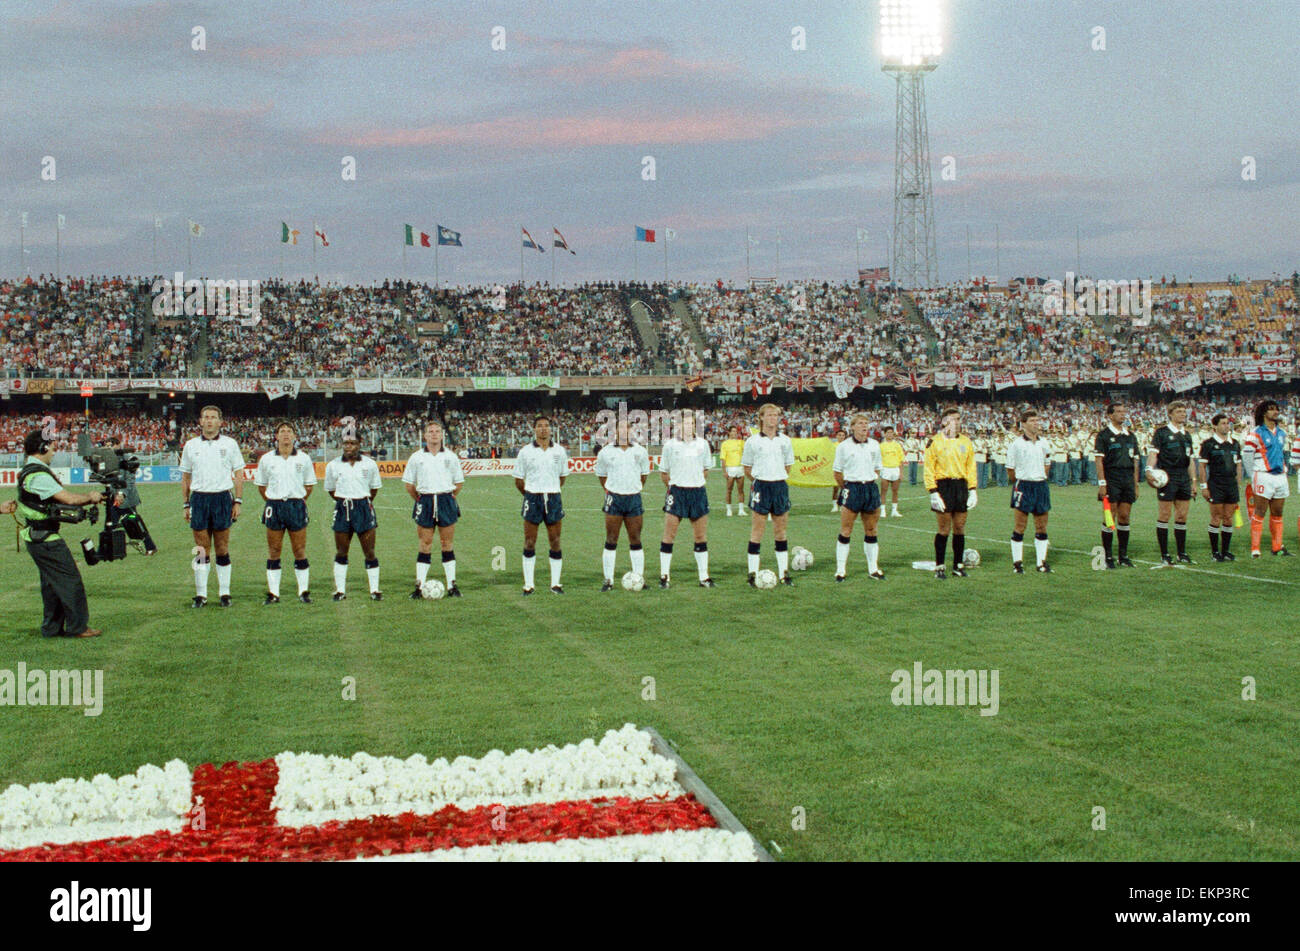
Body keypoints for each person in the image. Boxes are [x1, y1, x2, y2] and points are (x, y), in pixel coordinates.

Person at [10, 429, 108, 638]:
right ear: (43, 448)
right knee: (70, 580)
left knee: (52, 585)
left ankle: (52, 628)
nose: (54, 451)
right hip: (45, 538)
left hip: (38, 536)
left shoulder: (31, 470)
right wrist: (91, 497)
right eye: (52, 447)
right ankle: (78, 627)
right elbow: (69, 499)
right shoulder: (38, 474)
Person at [180, 405, 246, 607]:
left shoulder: (230, 444)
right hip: (199, 499)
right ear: (200, 421)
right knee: (201, 549)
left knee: (222, 548)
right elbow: (185, 477)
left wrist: (238, 500)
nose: (209, 420)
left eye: (213, 417)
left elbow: (239, 474)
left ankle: (224, 593)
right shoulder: (191, 445)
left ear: (220, 422)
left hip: (222, 499)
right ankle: (201, 595)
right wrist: (186, 504)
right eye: (205, 417)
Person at [255, 420, 317, 604]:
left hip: (296, 505)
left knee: (299, 549)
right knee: (274, 550)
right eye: (282, 431)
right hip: (274, 506)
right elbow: (261, 486)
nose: (285, 434)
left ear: (295, 436)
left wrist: (298, 500)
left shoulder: (304, 458)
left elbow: (309, 485)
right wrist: (272, 501)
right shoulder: (267, 459)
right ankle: (274, 593)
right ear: (276, 436)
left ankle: (303, 591)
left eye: (289, 431)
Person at [404, 420, 465, 598]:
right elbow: (409, 484)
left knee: (447, 544)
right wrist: (421, 500)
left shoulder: (451, 456)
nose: (434, 434)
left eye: (437, 431)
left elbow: (459, 483)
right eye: (430, 431)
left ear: (442, 435)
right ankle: (419, 586)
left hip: (446, 499)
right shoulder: (416, 457)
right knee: (425, 543)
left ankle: (452, 585)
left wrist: (450, 497)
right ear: (425, 435)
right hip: (426, 500)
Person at [658, 411, 714, 588]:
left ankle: (703, 577)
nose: (688, 427)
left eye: (691, 423)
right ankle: (664, 576)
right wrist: (675, 486)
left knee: (700, 536)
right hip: (677, 492)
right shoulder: (669, 445)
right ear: (678, 425)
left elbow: (705, 469)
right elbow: (664, 473)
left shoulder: (703, 444)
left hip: (697, 493)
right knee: (669, 534)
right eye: (684, 424)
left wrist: (694, 482)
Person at [324, 432, 383, 600]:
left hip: (363, 507)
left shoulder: (370, 464)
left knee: (369, 551)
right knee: (341, 551)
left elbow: (374, 489)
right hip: (343, 508)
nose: (349, 446)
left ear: (359, 444)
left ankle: (374, 590)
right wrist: (344, 500)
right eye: (346, 443)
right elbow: (330, 489)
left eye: (352, 443)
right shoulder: (333, 465)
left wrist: (362, 501)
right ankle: (340, 590)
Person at [513, 415, 569, 594]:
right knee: (530, 541)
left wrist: (549, 489)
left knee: (555, 540)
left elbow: (562, 477)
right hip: (532, 498)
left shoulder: (559, 451)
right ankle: (528, 585)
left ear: (551, 429)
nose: (543, 429)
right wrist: (531, 493)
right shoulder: (525, 452)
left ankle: (555, 584)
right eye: (540, 426)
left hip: (553, 497)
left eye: (546, 426)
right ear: (534, 429)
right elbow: (519, 480)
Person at [742, 403, 796, 585]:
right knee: (757, 531)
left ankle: (783, 573)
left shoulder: (785, 441)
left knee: (780, 531)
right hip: (761, 487)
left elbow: (788, 466)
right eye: (770, 415)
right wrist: (761, 479)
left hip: (780, 486)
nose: (773, 418)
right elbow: (747, 468)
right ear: (762, 417)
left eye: (776, 415)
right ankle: (752, 573)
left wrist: (776, 477)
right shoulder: (752, 441)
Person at [595, 419, 650, 591]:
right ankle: (608, 580)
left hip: (633, 498)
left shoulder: (640, 451)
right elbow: (602, 476)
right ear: (615, 431)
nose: (624, 431)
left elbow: (643, 476)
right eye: (620, 428)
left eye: (627, 428)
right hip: (614, 499)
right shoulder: (605, 452)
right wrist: (613, 489)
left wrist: (632, 488)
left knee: (635, 539)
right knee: (611, 539)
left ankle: (639, 577)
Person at [924, 407, 977, 579]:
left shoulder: (966, 442)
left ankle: (958, 566)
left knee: (960, 527)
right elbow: (928, 468)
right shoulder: (934, 442)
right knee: (944, 528)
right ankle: (940, 566)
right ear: (945, 422)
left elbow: (971, 467)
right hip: (943, 486)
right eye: (954, 419)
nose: (958, 422)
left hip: (960, 485)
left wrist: (973, 490)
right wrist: (933, 491)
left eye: (959, 419)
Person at [832, 413, 885, 581]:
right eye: (860, 423)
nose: (864, 426)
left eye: (866, 423)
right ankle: (841, 570)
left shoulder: (875, 445)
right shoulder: (844, 446)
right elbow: (837, 472)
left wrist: (868, 479)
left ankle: (873, 569)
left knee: (871, 529)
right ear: (852, 427)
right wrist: (846, 487)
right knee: (846, 530)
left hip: (869, 488)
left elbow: (877, 468)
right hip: (852, 488)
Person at [1148, 402, 1197, 566]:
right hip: (1167, 477)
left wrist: (1194, 481)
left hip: (1184, 478)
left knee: (1182, 516)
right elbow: (1153, 454)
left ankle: (1181, 553)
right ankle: (1165, 554)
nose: (1183, 414)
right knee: (1164, 515)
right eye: (1179, 411)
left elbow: (1190, 460)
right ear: (1170, 414)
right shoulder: (1161, 433)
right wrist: (1149, 469)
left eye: (1184, 411)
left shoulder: (1187, 435)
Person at [1094, 402, 1141, 569]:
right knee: (1109, 518)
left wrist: (1135, 484)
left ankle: (1123, 556)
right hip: (1111, 479)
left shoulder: (1130, 436)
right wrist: (1102, 483)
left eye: (1124, 411)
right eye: (1119, 412)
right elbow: (1099, 461)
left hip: (1127, 479)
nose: (1123, 414)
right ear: (1110, 415)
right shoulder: (1104, 435)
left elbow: (1136, 462)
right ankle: (1107, 557)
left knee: (1124, 517)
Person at [1006, 410, 1052, 573]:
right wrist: (1022, 480)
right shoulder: (1016, 444)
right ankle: (1017, 563)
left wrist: (1040, 476)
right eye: (1032, 420)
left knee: (1041, 526)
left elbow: (1047, 463)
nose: (1036, 423)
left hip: (1041, 486)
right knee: (1020, 525)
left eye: (1037, 420)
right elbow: (1010, 469)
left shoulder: (1044, 442)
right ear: (1023, 424)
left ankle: (1041, 563)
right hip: (1023, 486)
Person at [1244, 399, 1291, 557]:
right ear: (1264, 412)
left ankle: (1277, 547)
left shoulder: (1282, 432)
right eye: (1272, 409)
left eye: (1277, 409)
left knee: (1278, 512)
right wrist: (1252, 474)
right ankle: (1255, 548)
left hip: (1280, 476)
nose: (1276, 412)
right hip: (1263, 475)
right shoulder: (1255, 432)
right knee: (1260, 511)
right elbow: (1247, 455)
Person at [1198, 413, 1242, 562]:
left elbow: (1238, 465)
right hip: (1216, 484)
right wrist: (1204, 486)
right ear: (1215, 426)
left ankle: (1225, 551)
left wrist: (1238, 483)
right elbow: (1202, 466)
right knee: (1216, 517)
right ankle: (1215, 552)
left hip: (1231, 485)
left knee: (1228, 518)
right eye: (1223, 423)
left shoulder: (1235, 443)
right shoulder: (1208, 444)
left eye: (1227, 423)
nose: (1226, 426)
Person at [103, 436, 156, 554]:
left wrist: (122, 494)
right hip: (114, 500)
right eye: (106, 446)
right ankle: (107, 550)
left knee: (134, 523)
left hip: (127, 500)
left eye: (110, 445)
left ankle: (150, 547)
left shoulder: (128, 460)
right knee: (110, 524)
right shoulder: (108, 461)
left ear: (118, 445)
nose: (108, 448)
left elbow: (130, 480)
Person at [720, 424, 747, 517]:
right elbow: (723, 458)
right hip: (730, 468)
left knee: (741, 490)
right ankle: (729, 510)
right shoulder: (725, 444)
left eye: (736, 431)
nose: (734, 433)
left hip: (740, 468)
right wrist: (724, 471)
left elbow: (747, 450)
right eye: (733, 431)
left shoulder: (741, 442)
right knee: (729, 490)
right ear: (729, 432)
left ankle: (741, 510)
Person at [879, 426, 905, 516]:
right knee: (883, 490)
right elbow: (878, 460)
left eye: (891, 432)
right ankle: (883, 510)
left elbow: (901, 459)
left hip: (895, 469)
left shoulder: (897, 445)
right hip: (885, 469)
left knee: (895, 490)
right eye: (888, 432)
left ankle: (894, 510)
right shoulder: (881, 446)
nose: (890, 434)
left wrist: (901, 473)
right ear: (885, 434)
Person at [829, 430, 848, 512]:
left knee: (845, 488)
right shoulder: (833, 445)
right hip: (836, 468)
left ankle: (843, 504)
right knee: (836, 487)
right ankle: (835, 505)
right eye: (839, 435)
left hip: (846, 468)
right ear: (836, 436)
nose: (841, 437)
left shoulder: (848, 445)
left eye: (843, 435)